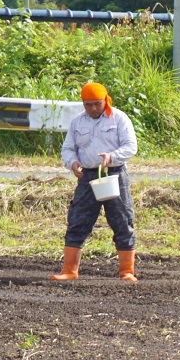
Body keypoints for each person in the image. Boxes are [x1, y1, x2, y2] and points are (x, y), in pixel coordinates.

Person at [52, 82, 140, 282]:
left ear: (105, 100)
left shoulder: (119, 119)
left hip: (114, 174)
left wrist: (112, 156)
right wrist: (73, 163)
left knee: (122, 220)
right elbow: (68, 148)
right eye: (88, 104)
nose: (93, 108)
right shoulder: (77, 122)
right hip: (87, 177)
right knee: (78, 220)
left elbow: (130, 146)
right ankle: (69, 270)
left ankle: (127, 271)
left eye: (97, 104)